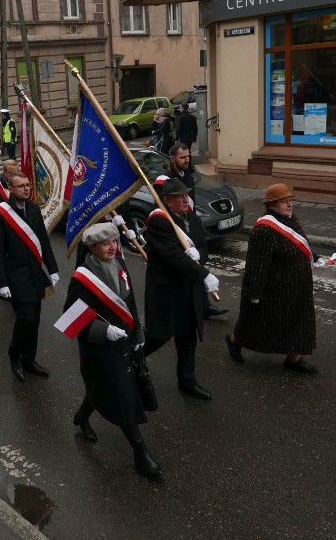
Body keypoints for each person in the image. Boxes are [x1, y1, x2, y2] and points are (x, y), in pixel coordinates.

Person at [65, 222, 162, 481]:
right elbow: (70, 318)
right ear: (92, 247)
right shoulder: (83, 277)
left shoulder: (120, 265)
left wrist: (138, 335)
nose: (113, 246)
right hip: (99, 350)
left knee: (103, 391)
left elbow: (128, 303)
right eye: (106, 243)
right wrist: (102, 331)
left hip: (124, 344)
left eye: (114, 241)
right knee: (122, 396)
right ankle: (140, 453)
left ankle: (81, 416)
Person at [225, 183, 319, 373]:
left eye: (290, 200)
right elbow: (256, 265)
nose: (289, 204)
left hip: (298, 287)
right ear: (271, 205)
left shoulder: (290, 220)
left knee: (299, 321)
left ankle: (294, 359)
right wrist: (254, 293)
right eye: (284, 202)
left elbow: (302, 244)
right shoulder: (264, 229)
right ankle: (234, 340)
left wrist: (315, 258)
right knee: (257, 323)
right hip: (275, 290)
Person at [143, 178, 219, 401]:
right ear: (167, 201)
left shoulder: (193, 219)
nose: (186, 199)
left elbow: (203, 249)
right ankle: (129, 361)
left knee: (187, 338)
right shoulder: (160, 222)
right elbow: (173, 257)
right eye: (180, 196)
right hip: (167, 292)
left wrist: (200, 257)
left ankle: (187, 381)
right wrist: (204, 274)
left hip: (189, 290)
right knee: (158, 336)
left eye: (186, 195)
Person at [0, 171, 59, 380]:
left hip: (35, 273)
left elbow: (43, 242)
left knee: (35, 320)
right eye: (21, 186)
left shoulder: (33, 209)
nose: (27, 189)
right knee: (26, 318)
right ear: (10, 189)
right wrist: (1, 283)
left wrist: (53, 268)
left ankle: (29, 359)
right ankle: (14, 354)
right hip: (15, 276)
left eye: (28, 185)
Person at [166, 142, 228, 318]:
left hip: (191, 224)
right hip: (178, 230)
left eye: (188, 156)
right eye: (182, 157)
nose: (187, 160)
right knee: (187, 269)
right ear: (172, 159)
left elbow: (190, 201)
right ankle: (197, 306)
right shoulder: (167, 180)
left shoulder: (188, 175)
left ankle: (203, 305)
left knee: (198, 263)